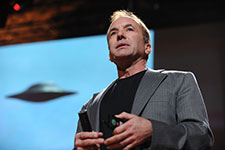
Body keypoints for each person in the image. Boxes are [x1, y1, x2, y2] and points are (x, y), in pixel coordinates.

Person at [74, 10, 214, 150]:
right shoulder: (91, 105)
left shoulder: (179, 81)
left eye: (129, 29)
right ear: (110, 55)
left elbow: (202, 138)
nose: (120, 35)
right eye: (113, 33)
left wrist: (153, 131)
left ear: (147, 47)